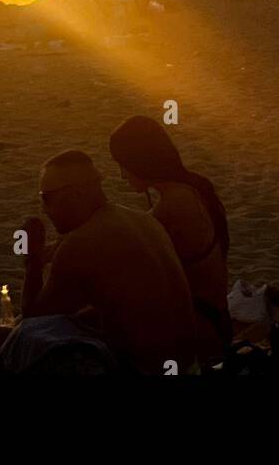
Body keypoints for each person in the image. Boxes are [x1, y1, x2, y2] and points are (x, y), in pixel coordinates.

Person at [12, 151, 197, 374]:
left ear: (75, 194)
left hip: (142, 367)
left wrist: (32, 259)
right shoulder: (142, 219)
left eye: (46, 198)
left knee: (6, 341)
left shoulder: (81, 243)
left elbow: (34, 319)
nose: (43, 208)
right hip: (187, 363)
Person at [109, 117, 229, 363]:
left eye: (123, 165)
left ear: (140, 161)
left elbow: (127, 245)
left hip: (202, 333)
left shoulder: (173, 205)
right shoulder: (192, 187)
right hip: (216, 322)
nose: (122, 176)